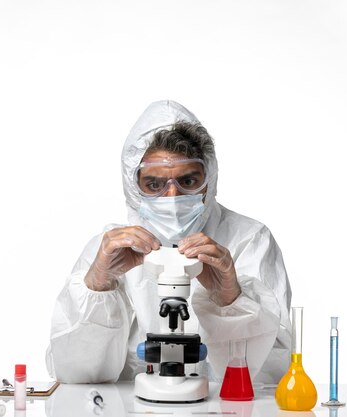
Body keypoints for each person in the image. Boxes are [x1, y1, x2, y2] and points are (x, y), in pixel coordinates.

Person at [46, 100, 292, 384]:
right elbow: (75, 373)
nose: (172, 198)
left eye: (188, 181)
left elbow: (272, 373)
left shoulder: (249, 240)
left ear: (208, 178)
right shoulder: (110, 251)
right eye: (154, 184)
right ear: (133, 185)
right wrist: (99, 285)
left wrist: (231, 299)